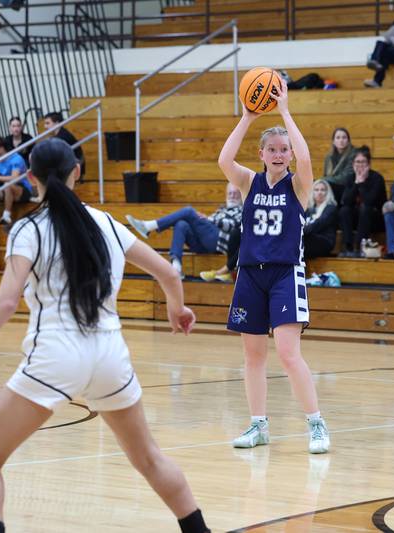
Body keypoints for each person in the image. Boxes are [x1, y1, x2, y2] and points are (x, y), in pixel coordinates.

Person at [0, 139, 210, 533]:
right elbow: (169, 273)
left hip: (57, 354)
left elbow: (7, 302)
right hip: (110, 354)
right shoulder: (108, 223)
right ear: (77, 172)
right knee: (150, 460)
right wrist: (176, 309)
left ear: (30, 178)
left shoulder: (28, 229)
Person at [217, 80, 330, 454]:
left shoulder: (298, 186)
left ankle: (316, 424)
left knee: (286, 351)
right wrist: (248, 116)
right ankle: (258, 425)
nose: (280, 154)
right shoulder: (249, 182)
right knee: (252, 355)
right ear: (262, 154)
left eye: (284, 149)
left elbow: (309, 160)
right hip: (250, 273)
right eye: (273, 149)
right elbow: (223, 160)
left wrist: (284, 111)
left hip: (285, 273)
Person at [125, 183, 243, 277]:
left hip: (220, 242)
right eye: (230, 193)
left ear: (241, 195)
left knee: (188, 211)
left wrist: (209, 220)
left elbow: (232, 226)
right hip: (204, 243)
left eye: (235, 193)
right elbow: (208, 222)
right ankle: (176, 267)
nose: (232, 196)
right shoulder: (221, 209)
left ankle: (149, 226)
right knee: (181, 224)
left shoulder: (242, 210)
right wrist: (205, 219)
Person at [338, 146, 387, 257]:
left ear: (368, 164)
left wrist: (362, 183)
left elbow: (370, 200)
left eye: (363, 162)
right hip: (357, 219)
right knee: (344, 210)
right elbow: (345, 201)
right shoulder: (350, 178)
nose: (360, 165)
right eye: (357, 162)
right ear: (353, 164)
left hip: (375, 218)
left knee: (365, 208)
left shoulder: (377, 178)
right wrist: (356, 183)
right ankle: (348, 247)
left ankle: (359, 247)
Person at [303, 179, 339, 259]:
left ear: (327, 192)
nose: (319, 192)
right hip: (311, 240)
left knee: (303, 239)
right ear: (313, 192)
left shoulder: (331, 209)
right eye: (316, 190)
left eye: (323, 190)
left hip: (325, 241)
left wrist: (300, 231)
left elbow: (319, 224)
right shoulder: (309, 210)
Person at [44, 112, 85, 178]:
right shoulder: (60, 134)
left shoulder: (62, 137)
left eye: (48, 123)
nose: (45, 126)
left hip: (76, 166)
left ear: (57, 123)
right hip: (73, 164)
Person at [320, 128, 355, 201]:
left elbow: (346, 178)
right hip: (332, 188)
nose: (341, 140)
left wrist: (324, 180)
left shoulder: (354, 155)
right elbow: (326, 175)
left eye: (344, 137)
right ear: (333, 141)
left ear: (348, 141)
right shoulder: (329, 157)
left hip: (348, 189)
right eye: (338, 137)